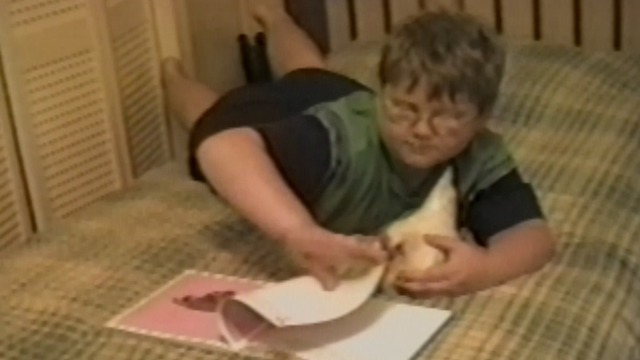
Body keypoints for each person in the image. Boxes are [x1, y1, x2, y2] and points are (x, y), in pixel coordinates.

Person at [161, 5, 556, 298]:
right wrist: (296, 231)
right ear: (384, 92)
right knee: (208, 116)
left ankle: (278, 20)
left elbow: (533, 236)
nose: (420, 130)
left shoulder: (482, 154)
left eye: (447, 117)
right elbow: (222, 145)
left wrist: (488, 268)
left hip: (336, 94)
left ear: (482, 118)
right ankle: (171, 73)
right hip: (290, 116)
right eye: (404, 109)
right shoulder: (336, 142)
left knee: (312, 72)